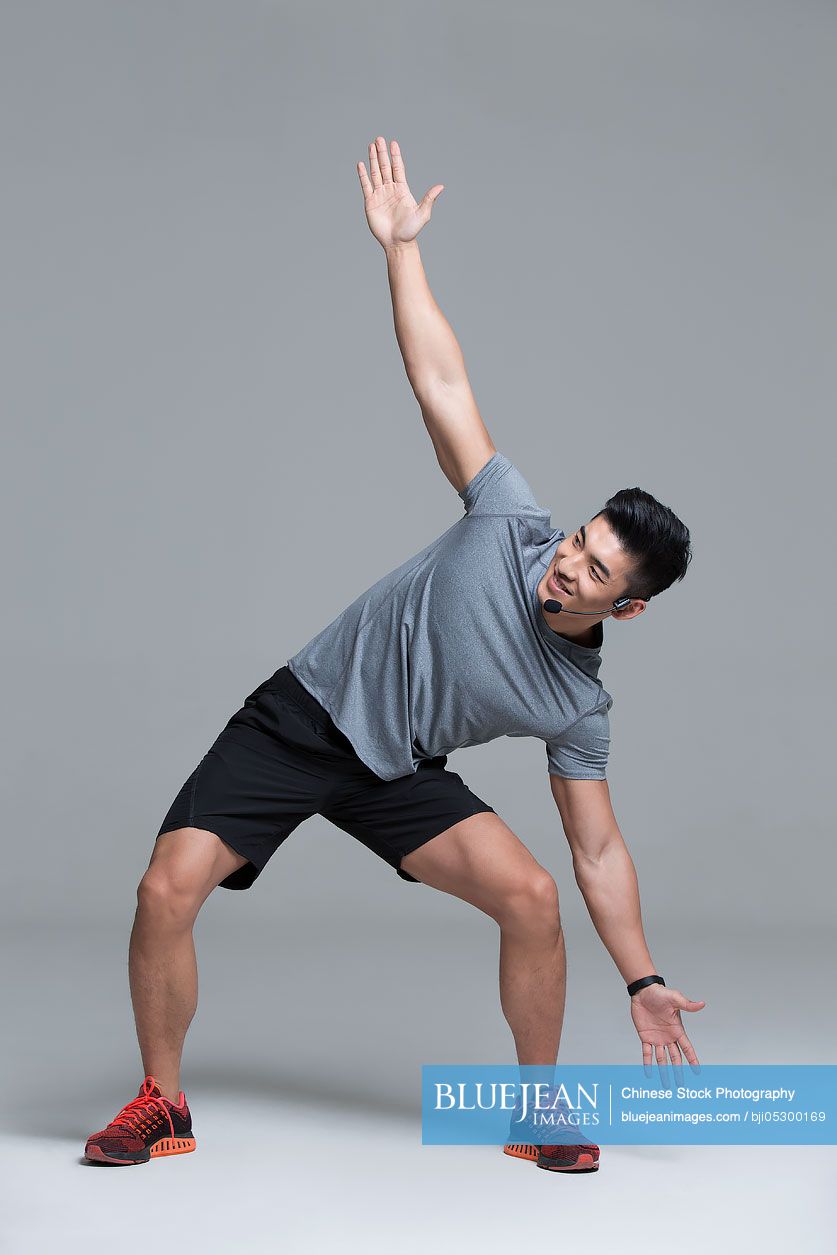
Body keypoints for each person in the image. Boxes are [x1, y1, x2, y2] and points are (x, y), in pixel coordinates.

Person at [84, 136, 705, 1172]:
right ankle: (162, 1103)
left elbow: (597, 852)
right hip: (303, 715)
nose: (566, 568)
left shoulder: (576, 705)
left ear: (625, 610)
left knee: (535, 897)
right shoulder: (507, 518)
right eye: (579, 544)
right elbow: (440, 378)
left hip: (396, 772)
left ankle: (537, 1110)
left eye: (595, 575)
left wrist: (642, 980)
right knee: (163, 890)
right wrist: (401, 249)